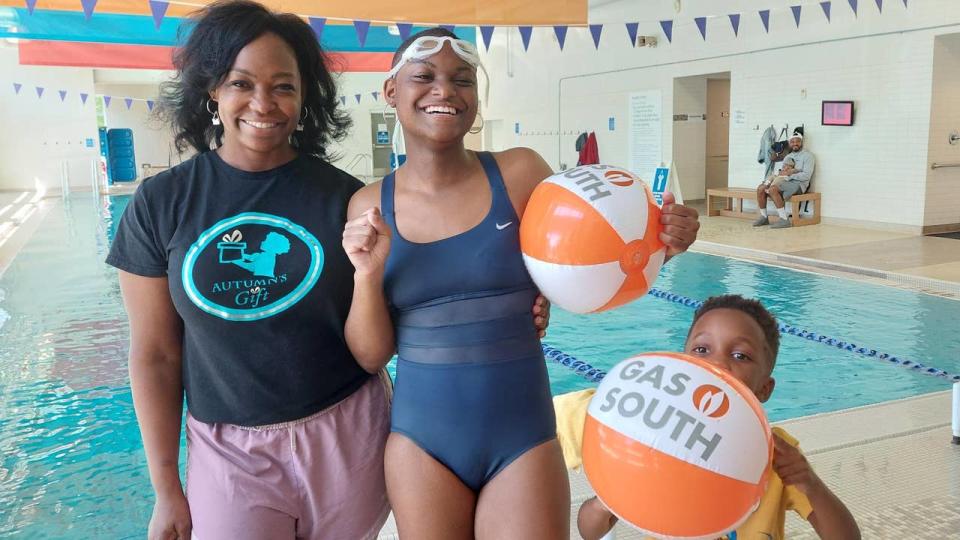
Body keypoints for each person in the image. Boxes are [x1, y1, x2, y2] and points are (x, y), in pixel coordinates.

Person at [341, 27, 701, 539]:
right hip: (422, 444)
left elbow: (596, 259)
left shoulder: (521, 173)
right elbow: (371, 355)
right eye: (424, 76)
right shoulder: (370, 206)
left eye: (461, 79)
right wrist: (367, 272)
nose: (444, 90)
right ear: (391, 93)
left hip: (522, 438)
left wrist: (664, 242)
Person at [106, 2, 396, 538]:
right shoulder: (161, 202)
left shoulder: (344, 199)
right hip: (228, 449)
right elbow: (155, 353)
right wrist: (166, 487)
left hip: (348, 430)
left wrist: (514, 306)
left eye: (283, 86)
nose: (263, 103)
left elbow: (397, 304)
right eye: (242, 83)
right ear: (213, 90)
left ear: (305, 96)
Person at [554, 295, 861, 540]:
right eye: (702, 349)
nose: (717, 363)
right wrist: (609, 501)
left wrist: (810, 484)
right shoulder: (660, 437)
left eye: (740, 355)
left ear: (764, 388)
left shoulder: (776, 455)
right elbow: (589, 530)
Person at [753, 133, 815, 229]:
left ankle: (784, 220)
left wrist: (789, 175)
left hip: (799, 184)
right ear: (789, 143)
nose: (795, 144)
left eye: (797, 141)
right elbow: (783, 174)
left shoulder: (808, 156)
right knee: (761, 188)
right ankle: (764, 217)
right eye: (792, 141)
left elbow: (806, 176)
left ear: (801, 142)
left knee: (773, 189)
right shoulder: (787, 156)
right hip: (785, 181)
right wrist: (779, 176)